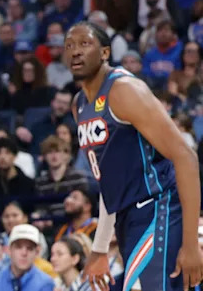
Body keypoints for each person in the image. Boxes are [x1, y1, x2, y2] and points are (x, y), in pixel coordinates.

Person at [65, 22, 203, 291]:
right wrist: (100, 248)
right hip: (128, 219)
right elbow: (109, 182)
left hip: (158, 207)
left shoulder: (124, 89)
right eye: (69, 46)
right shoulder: (79, 105)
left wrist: (190, 244)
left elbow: (185, 156)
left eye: (85, 44)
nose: (75, 52)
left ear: (105, 52)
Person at [0, 224, 54, 291]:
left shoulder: (46, 284)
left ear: (37, 252)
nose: (24, 253)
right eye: (18, 247)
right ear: (8, 250)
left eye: (30, 248)